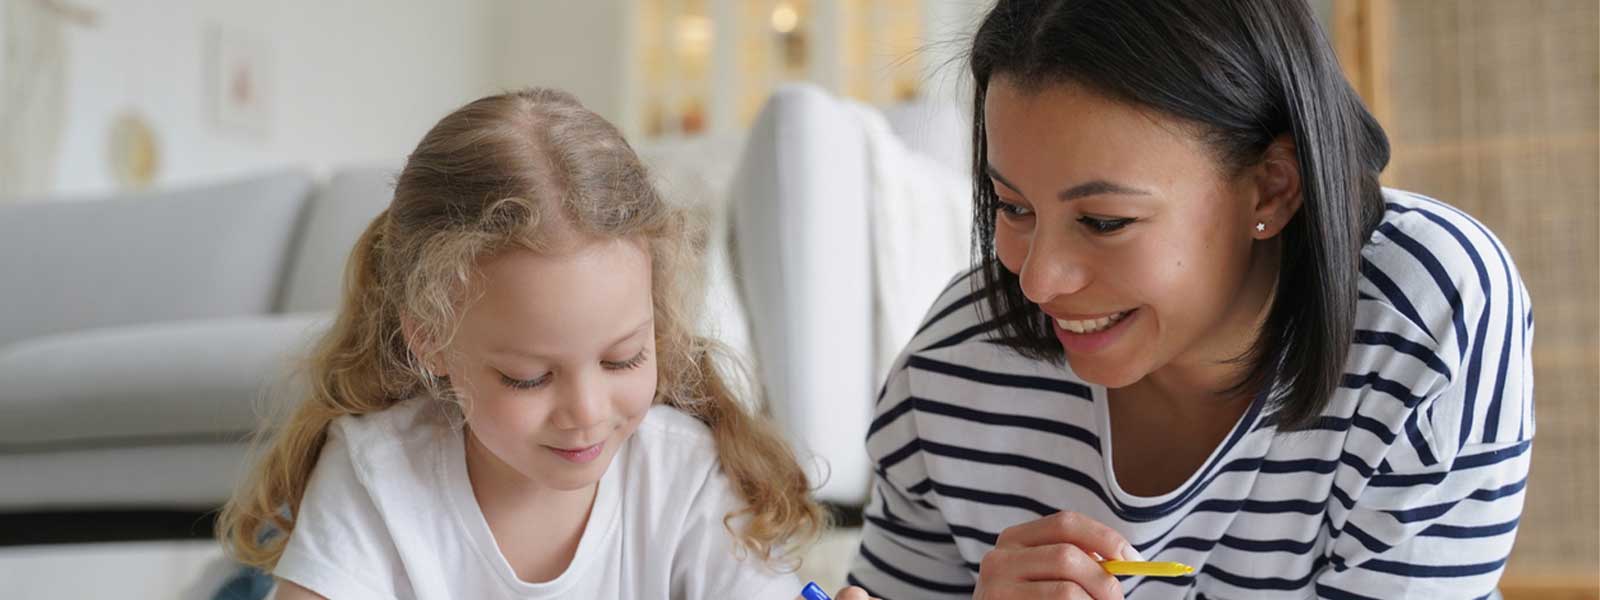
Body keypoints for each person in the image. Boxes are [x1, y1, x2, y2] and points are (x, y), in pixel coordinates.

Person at [847, 1, 1534, 598]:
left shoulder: (1425, 315)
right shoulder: (953, 370)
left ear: (1271, 187)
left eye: (1104, 222)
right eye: (1012, 206)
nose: (1038, 282)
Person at [217, 88, 827, 599]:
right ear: (431, 341)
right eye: (529, 377)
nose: (587, 412)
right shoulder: (377, 470)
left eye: (624, 358)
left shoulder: (685, 475)